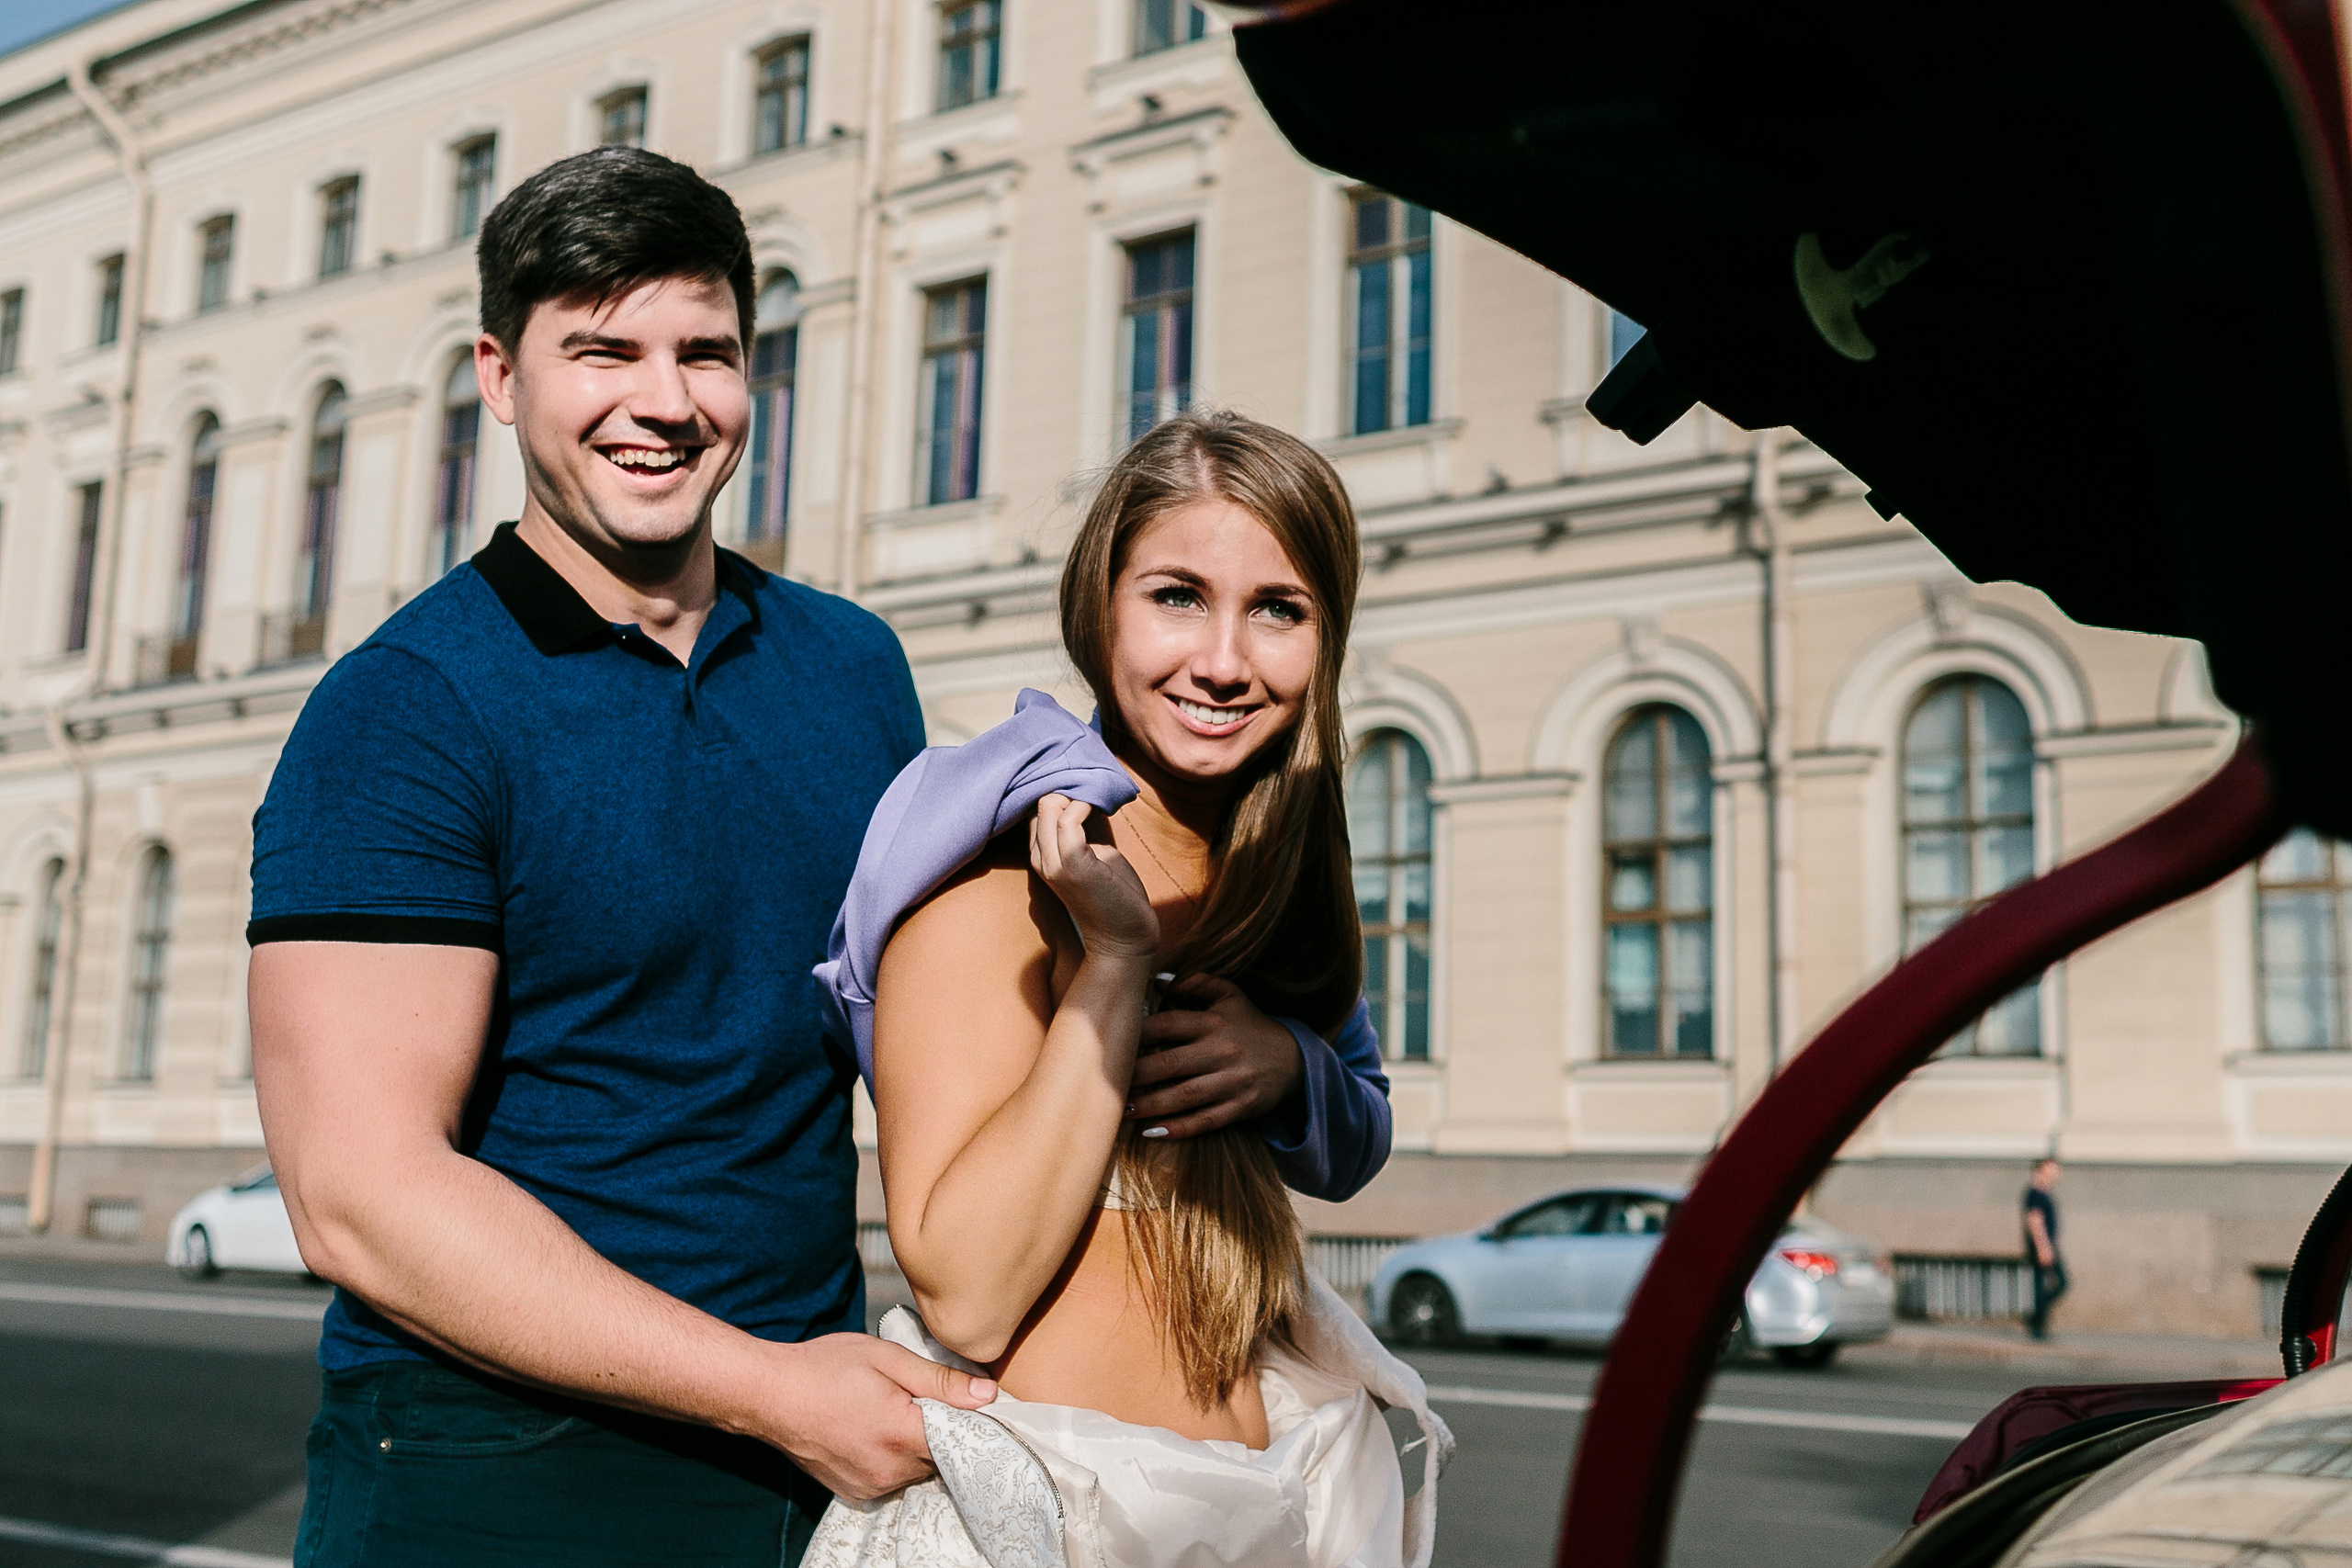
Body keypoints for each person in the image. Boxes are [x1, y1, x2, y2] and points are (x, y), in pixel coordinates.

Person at [247, 149, 1390, 1568]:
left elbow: (955, 1040)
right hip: (502, 1462)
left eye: (707, 351)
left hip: (813, 1463)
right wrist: (768, 1386)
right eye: (600, 349)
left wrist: (1282, 1059)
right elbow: (357, 1196)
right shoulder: (405, 706)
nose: (664, 401)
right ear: (499, 372)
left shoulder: (850, 668)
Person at [808, 411, 1450, 1568]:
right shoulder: (990, 867)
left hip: (1275, 1512)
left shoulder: (1276, 873)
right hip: (1044, 1528)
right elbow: (969, 1294)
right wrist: (1114, 965)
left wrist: (1285, 1068)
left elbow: (1356, 1138)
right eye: (1176, 596)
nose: (1222, 659)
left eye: (1278, 610)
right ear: (1098, 604)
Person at [2023, 1157, 2066, 1340]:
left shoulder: (2043, 1192)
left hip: (2046, 1245)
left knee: (2043, 1285)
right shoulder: (2036, 1193)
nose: (2057, 1172)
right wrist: (2043, 1247)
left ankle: (2035, 1321)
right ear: (2042, 1170)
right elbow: (2034, 1220)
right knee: (2058, 1283)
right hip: (2043, 1246)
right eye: (2053, 1168)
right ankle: (2035, 1322)